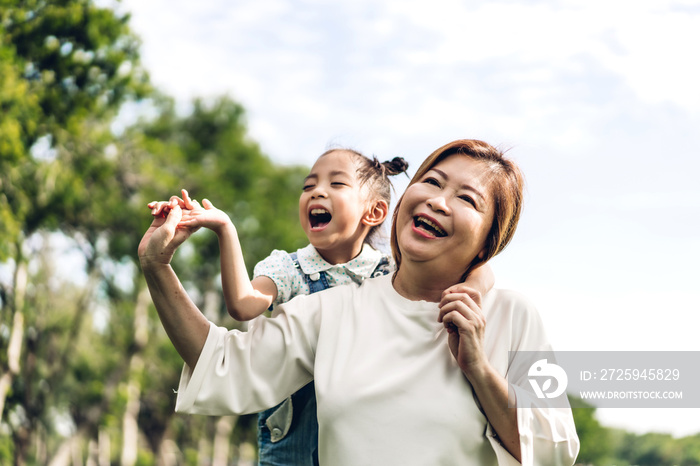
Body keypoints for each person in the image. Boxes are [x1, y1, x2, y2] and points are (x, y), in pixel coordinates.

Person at [139, 139, 580, 465]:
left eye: (466, 199)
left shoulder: (513, 315)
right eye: (431, 182)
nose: (438, 201)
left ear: (489, 241)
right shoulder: (333, 310)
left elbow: (555, 451)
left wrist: (480, 370)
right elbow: (223, 363)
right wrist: (157, 268)